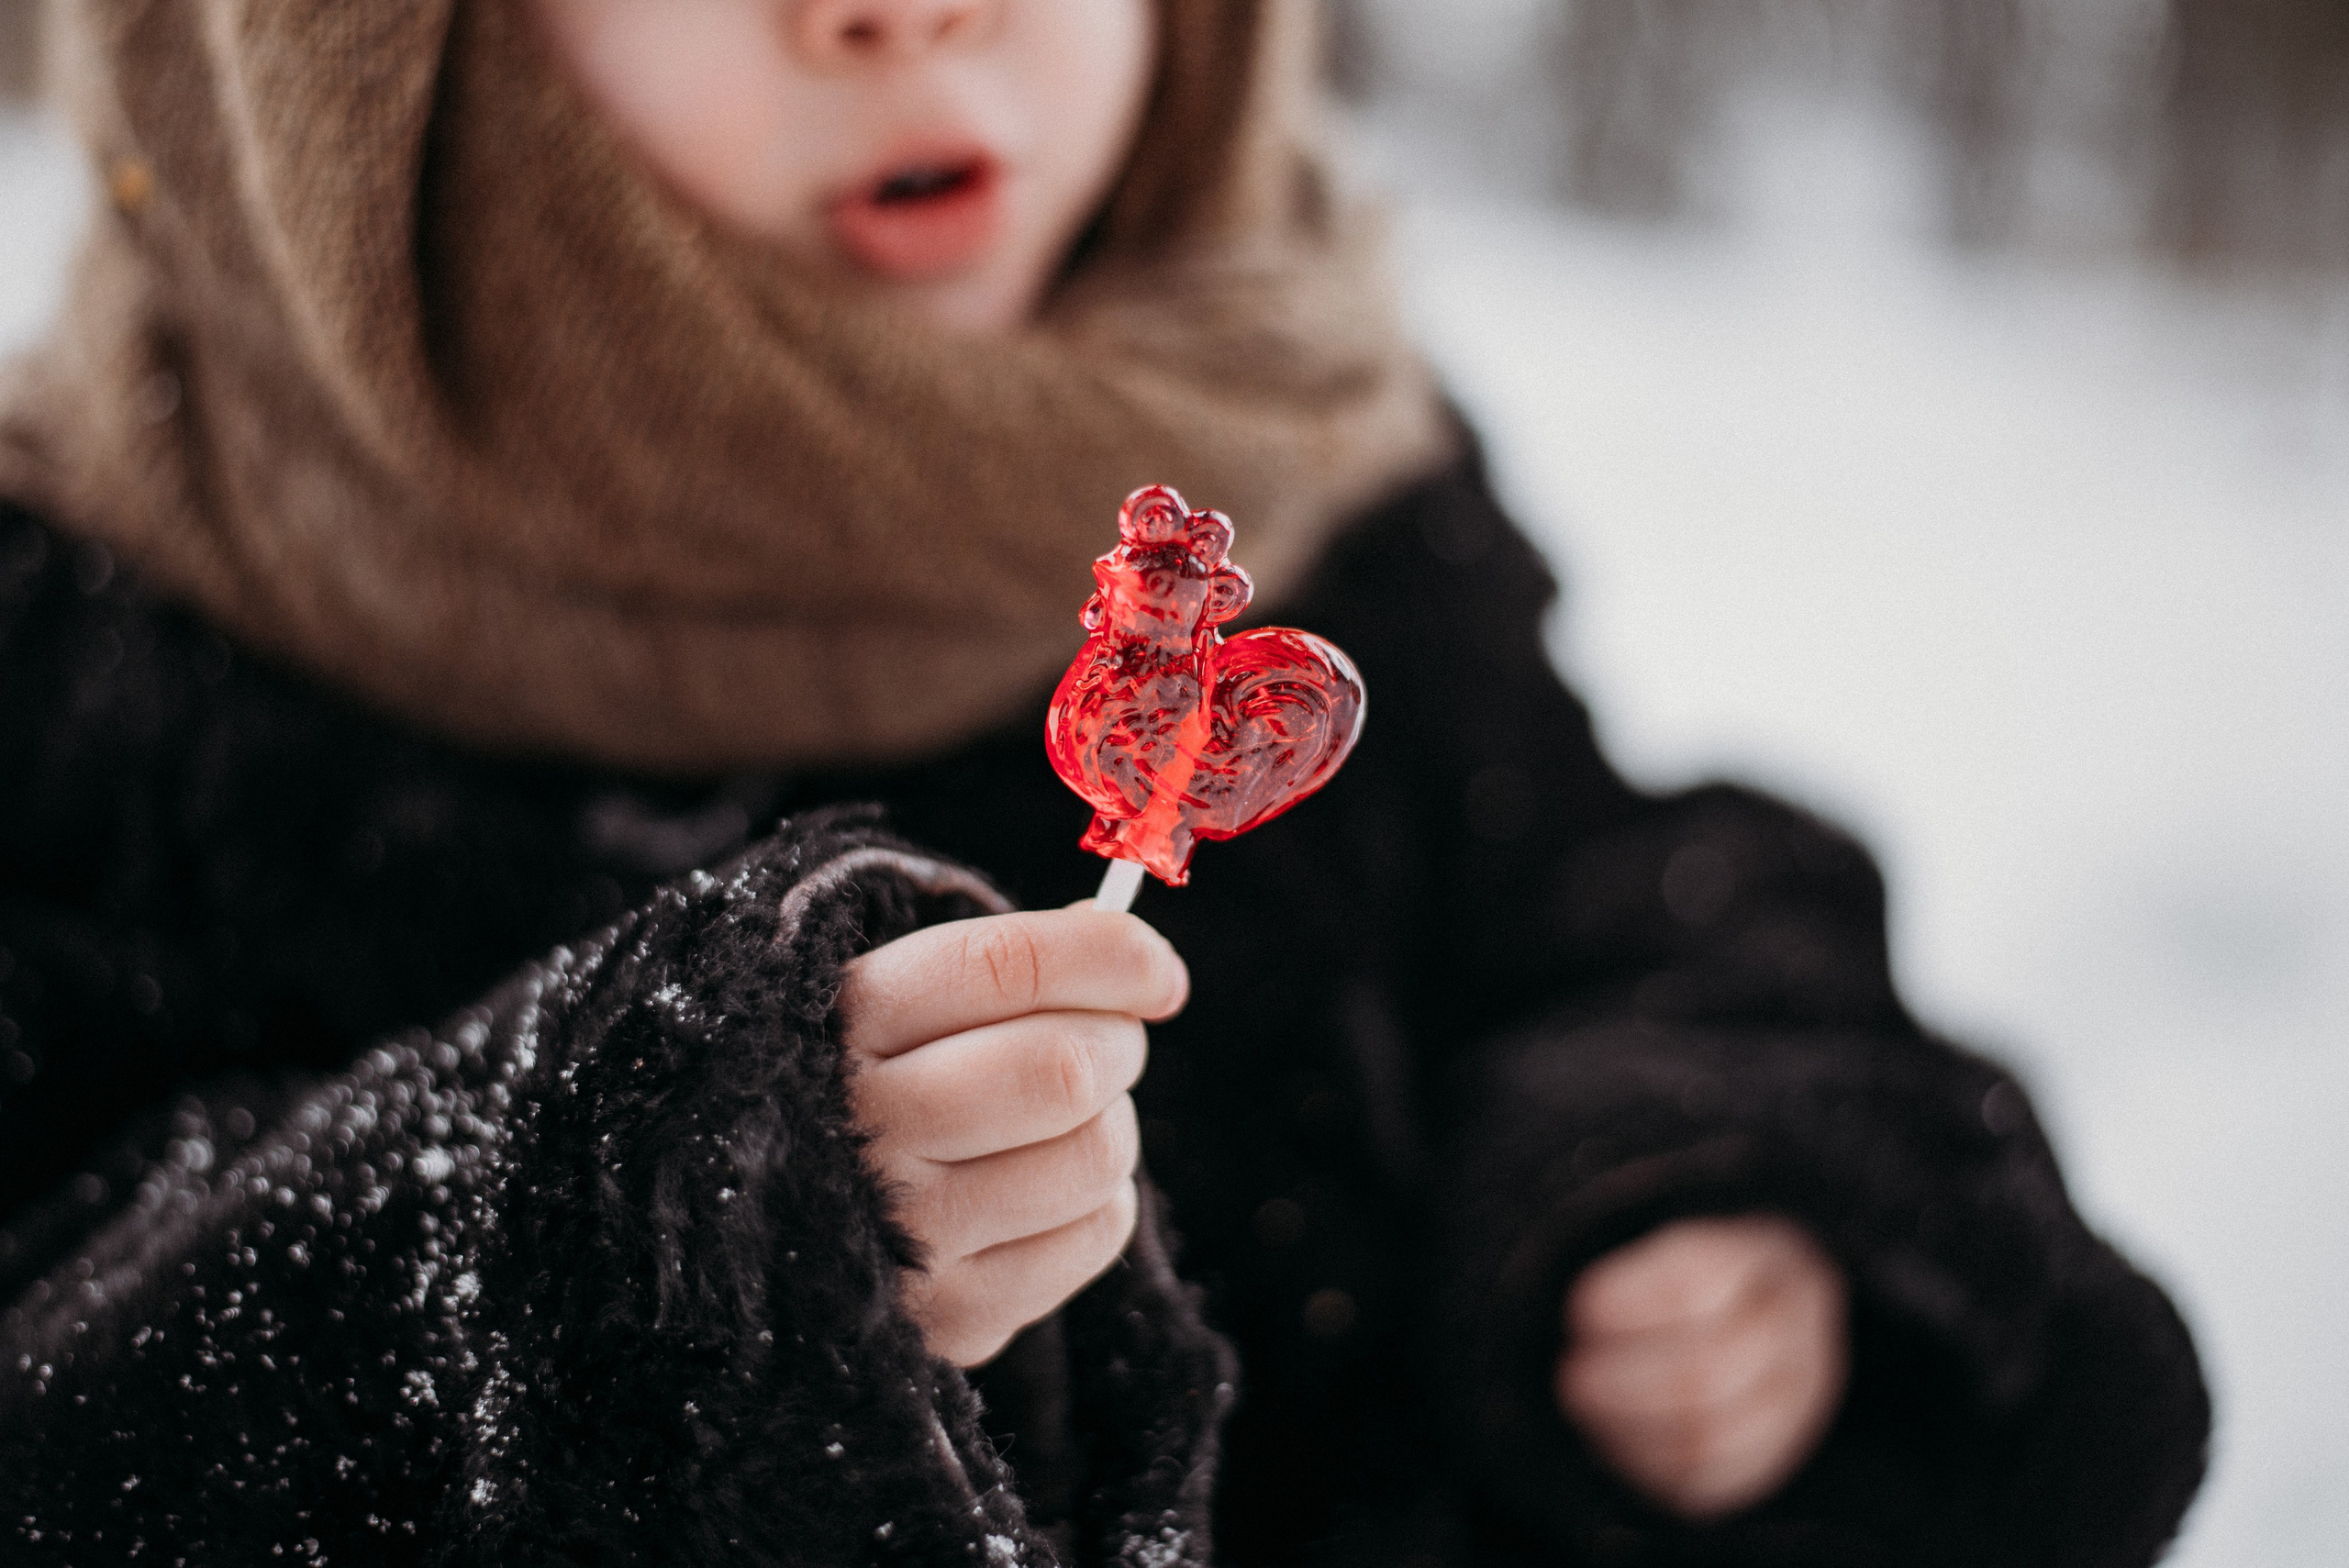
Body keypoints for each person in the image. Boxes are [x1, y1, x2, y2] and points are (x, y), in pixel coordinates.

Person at [0, 2, 2208, 1564]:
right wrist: (658, 1244)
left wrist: (1669, 1194)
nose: (900, 13)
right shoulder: (99, 633)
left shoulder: (1320, 480)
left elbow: (1592, 902)